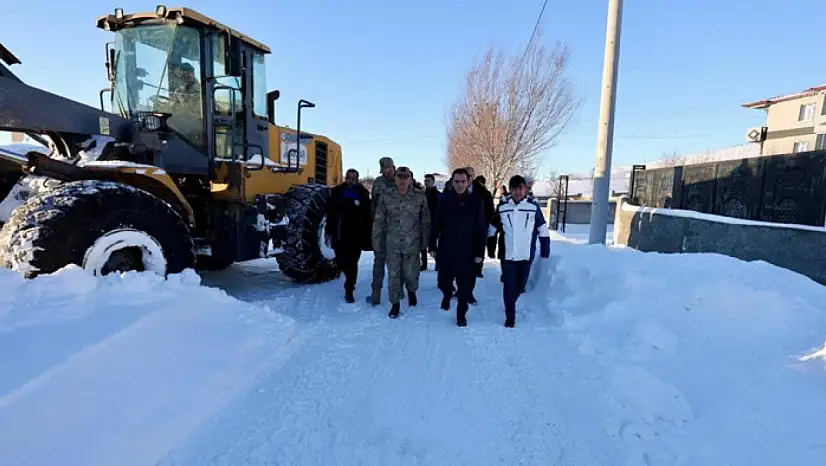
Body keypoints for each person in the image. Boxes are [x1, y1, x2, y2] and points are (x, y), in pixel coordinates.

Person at [488, 175, 550, 328]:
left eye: (520, 188)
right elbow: (493, 227)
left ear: (525, 189)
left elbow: (542, 227)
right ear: (510, 190)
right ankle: (510, 316)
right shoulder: (503, 206)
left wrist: (545, 248)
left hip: (525, 254)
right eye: (514, 188)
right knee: (509, 285)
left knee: (520, 286)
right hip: (508, 255)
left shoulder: (532, 206)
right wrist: (490, 246)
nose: (517, 192)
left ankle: (510, 303)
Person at [429, 168, 486, 327]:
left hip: (467, 251)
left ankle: (461, 314)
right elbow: (435, 226)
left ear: (468, 182)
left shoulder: (476, 202)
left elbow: (480, 229)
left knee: (465, 287)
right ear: (452, 182)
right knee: (443, 283)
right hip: (447, 250)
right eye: (457, 181)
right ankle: (447, 295)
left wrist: (480, 252)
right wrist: (432, 245)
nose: (460, 184)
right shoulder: (444, 201)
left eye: (463, 181)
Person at [372, 166, 430, 318]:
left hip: (413, 243)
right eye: (399, 177)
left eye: (406, 177)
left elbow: (425, 220)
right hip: (393, 244)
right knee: (394, 275)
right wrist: (376, 240)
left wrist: (425, 241)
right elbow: (379, 220)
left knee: (411, 273)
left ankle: (412, 291)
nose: (402, 180)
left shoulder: (419, 196)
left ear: (410, 179)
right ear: (395, 179)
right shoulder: (386, 196)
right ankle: (395, 304)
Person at [326, 168, 372, 303]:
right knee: (341, 261)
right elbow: (331, 211)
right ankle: (346, 277)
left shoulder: (362, 193)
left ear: (357, 180)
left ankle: (349, 289)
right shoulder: (337, 191)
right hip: (340, 233)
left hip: (355, 234)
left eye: (353, 178)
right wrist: (329, 229)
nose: (350, 180)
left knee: (352, 263)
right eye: (348, 177)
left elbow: (365, 213)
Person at [367, 156, 396, 305]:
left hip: (398, 230)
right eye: (384, 169)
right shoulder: (378, 182)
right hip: (380, 228)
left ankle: (399, 293)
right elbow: (373, 204)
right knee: (378, 262)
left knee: (397, 263)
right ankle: (375, 294)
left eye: (388, 169)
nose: (386, 172)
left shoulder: (402, 180)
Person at [472, 175, 495, 279]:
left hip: (482, 223)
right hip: (480, 223)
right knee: (478, 246)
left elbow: (491, 208)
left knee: (480, 246)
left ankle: (477, 268)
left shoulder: (485, 194)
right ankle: (475, 268)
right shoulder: (477, 193)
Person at [421, 173, 441, 271]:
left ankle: (439, 263)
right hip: (423, 222)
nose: (426, 183)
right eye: (425, 181)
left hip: (433, 222)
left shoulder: (437, 195)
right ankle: (424, 264)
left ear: (433, 182)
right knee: (422, 245)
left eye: (428, 181)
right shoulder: (422, 194)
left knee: (432, 245)